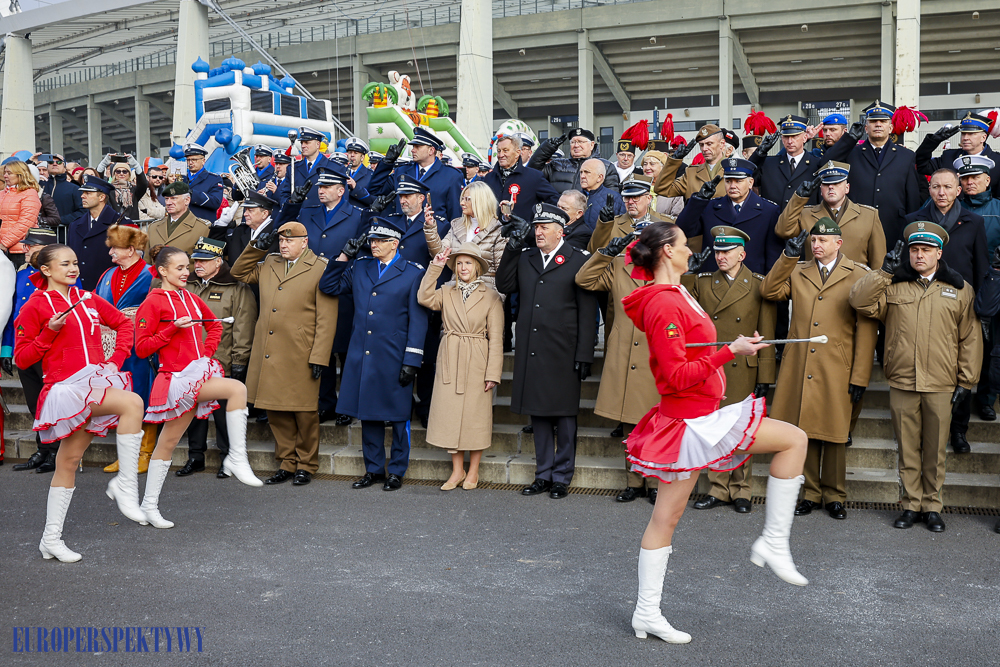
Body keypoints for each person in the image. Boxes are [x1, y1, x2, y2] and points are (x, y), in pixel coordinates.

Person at [622, 220, 810, 643]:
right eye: (684, 244)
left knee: (665, 517)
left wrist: (735, 346)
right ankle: (774, 543)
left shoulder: (676, 292)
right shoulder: (664, 302)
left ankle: (645, 613)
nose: (692, 248)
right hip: (691, 419)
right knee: (794, 439)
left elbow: (689, 349)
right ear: (667, 251)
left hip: (692, 417)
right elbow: (674, 376)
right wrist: (730, 351)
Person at [13, 243, 146, 561]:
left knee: (69, 461)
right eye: (64, 264)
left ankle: (50, 539)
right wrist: (49, 331)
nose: (73, 268)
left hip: (95, 381)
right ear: (45, 270)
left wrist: (116, 360)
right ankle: (124, 486)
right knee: (131, 403)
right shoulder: (36, 305)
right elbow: (22, 356)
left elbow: (124, 324)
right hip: (65, 389)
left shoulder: (88, 298)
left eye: (75, 262)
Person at [850, 222, 982, 532]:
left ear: (939, 252)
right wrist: (883, 273)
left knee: (935, 449)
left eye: (925, 250)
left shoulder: (960, 289)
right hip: (904, 379)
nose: (919, 255)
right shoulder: (894, 285)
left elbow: (971, 337)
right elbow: (859, 301)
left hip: (941, 380)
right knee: (907, 447)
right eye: (914, 249)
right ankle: (910, 504)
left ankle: (932, 506)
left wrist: (966, 380)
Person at [134, 246, 261, 527]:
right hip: (175, 379)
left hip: (197, 372)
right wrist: (171, 329)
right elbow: (142, 348)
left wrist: (206, 354)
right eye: (179, 268)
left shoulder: (190, 298)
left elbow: (215, 326)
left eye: (187, 267)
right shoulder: (153, 302)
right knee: (236, 390)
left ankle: (148, 506)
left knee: (166, 444)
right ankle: (237, 458)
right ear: (162, 271)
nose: (186, 271)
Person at [761, 219, 878, 520]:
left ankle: (835, 494)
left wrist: (861, 375)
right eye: (813, 241)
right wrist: (786, 257)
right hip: (801, 362)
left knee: (835, 432)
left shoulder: (858, 274)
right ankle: (811, 493)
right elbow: (769, 290)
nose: (816, 246)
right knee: (805, 428)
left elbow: (866, 330)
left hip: (838, 365)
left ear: (839, 243)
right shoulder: (798, 270)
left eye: (823, 241)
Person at [495, 203, 598, 499]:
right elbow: (504, 284)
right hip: (533, 348)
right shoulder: (526, 257)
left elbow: (586, 311)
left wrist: (584, 355)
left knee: (564, 416)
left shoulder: (578, 260)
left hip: (563, 349)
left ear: (559, 231)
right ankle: (543, 473)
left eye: (544, 228)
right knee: (538, 414)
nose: (538, 232)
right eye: (536, 227)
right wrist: (513, 247)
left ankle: (561, 476)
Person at [319, 218, 429, 491]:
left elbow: (418, 320)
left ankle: (397, 471)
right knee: (368, 414)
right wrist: (345, 255)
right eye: (371, 240)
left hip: (394, 355)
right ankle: (374, 469)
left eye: (379, 240)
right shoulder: (361, 267)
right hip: (363, 354)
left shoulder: (413, 273)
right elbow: (328, 287)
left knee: (399, 415)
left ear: (395, 243)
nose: (373, 244)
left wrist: (412, 360)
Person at [575, 195, 666, 504]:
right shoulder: (618, 264)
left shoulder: (670, 270)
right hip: (625, 351)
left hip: (656, 354)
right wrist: (605, 253)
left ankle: (653, 482)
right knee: (630, 425)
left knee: (655, 422)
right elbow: (584, 279)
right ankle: (633, 480)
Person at [232, 222, 338, 487]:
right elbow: (239, 272)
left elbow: (327, 318)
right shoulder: (269, 263)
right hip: (269, 351)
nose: (283, 245)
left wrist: (320, 356)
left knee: (304, 412)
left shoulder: (320, 267)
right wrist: (256, 246)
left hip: (300, 351)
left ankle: (306, 464)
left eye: (289, 241)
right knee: (275, 410)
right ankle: (287, 462)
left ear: (304, 242)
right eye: (280, 241)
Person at [682, 226, 777, 513]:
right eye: (718, 251)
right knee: (716, 427)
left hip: (744, 367)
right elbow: (681, 299)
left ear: (742, 254)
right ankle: (717, 487)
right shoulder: (703, 280)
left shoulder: (759, 283)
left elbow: (767, 332)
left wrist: (765, 375)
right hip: (715, 365)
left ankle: (742, 490)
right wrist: (687, 271)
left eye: (726, 251)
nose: (720, 256)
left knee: (743, 428)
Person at [905, 168, 989, 454]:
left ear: (958, 190)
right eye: (936, 187)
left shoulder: (974, 222)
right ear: (929, 190)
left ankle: (958, 430)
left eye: (948, 187)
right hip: (921, 303)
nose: (942, 192)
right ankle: (923, 431)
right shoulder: (914, 221)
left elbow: (980, 266)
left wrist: (981, 307)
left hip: (960, 305)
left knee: (960, 369)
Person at [418, 244, 503, 490]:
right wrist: (435, 267)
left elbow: (496, 338)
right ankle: (457, 471)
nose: (463, 267)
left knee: (476, 417)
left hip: (478, 357)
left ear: (476, 266)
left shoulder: (491, 296)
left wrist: (493, 373)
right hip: (450, 355)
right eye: (459, 263)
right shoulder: (446, 291)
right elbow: (423, 297)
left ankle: (473, 471)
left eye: (468, 263)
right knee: (451, 415)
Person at [176, 237, 258, 478]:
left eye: (204, 260)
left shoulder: (236, 288)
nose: (197, 264)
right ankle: (195, 457)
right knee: (192, 413)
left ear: (219, 262)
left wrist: (239, 361)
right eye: (196, 260)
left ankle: (228, 458)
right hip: (189, 362)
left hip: (220, 362)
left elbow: (243, 327)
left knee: (223, 416)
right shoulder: (186, 286)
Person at [3, 229, 74, 474]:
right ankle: (43, 449)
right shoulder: (22, 275)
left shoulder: (62, 275)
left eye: (29, 245)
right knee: (35, 405)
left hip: (50, 348)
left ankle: (56, 451)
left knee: (52, 404)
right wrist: (6, 348)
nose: (24, 249)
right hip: (26, 348)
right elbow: (14, 314)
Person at [93, 225, 157, 476]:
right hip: (113, 346)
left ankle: (145, 453)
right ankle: (126, 454)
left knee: (143, 395)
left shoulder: (151, 273)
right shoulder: (107, 274)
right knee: (122, 396)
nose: (110, 254)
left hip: (140, 345)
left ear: (131, 250)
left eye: (114, 249)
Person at [822, 101, 923, 248]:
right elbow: (825, 163)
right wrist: (849, 139)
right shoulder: (851, 153)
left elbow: (912, 198)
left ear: (891, 128)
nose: (878, 124)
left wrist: (910, 230)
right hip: (856, 226)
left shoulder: (906, 156)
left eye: (883, 121)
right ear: (866, 128)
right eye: (873, 121)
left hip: (894, 227)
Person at [674, 158, 783, 271]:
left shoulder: (769, 210)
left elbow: (773, 255)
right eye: (728, 181)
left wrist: (767, 284)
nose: (732, 186)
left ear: (750, 183)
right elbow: (683, 230)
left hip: (751, 280)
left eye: (738, 181)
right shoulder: (710, 207)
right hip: (714, 278)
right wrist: (699, 200)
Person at [775, 160, 886, 268]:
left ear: (847, 188)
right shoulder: (806, 214)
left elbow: (878, 262)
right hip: (817, 283)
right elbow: (783, 231)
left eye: (836, 183)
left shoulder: (869, 216)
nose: (831, 187)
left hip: (855, 284)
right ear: (820, 189)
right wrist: (799, 199)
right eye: (826, 184)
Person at [957, 155, 1000, 420]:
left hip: (992, 286)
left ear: (988, 180)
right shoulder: (953, 207)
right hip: (961, 283)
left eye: (975, 177)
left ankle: (986, 398)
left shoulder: (998, 208)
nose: (970, 182)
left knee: (990, 346)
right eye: (965, 178)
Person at [368, 127, 463, 222]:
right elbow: (374, 190)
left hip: (433, 233)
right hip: (404, 232)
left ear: (431, 150)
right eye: (413, 146)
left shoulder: (451, 176)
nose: (413, 150)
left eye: (418, 147)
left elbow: (455, 215)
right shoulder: (402, 171)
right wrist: (387, 163)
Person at [423, 180, 506, 289]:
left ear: (480, 201)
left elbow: (502, 273)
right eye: (462, 198)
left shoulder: (498, 229)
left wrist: (495, 301)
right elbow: (440, 254)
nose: (462, 203)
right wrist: (430, 228)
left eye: (467, 199)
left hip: (484, 294)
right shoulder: (457, 225)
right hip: (456, 291)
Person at [68, 176, 133, 290]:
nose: (82, 196)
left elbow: (129, 261)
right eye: (83, 192)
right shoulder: (75, 225)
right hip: (80, 289)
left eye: (88, 193)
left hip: (109, 288)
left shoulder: (121, 224)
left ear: (102, 197)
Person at [747, 115, 823, 210]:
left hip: (804, 222)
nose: (790, 141)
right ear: (782, 139)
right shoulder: (768, 163)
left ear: (804, 138)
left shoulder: (817, 164)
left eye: (795, 136)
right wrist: (759, 153)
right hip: (774, 222)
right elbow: (746, 176)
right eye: (786, 137)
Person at [916, 112, 1000, 199]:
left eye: (971, 134)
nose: (965, 138)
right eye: (963, 133)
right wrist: (933, 142)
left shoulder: (997, 161)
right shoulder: (949, 156)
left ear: (984, 137)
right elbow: (921, 165)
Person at [482, 133, 559, 221]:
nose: (500, 155)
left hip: (522, 233)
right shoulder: (489, 177)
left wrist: (536, 224)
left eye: (505, 150)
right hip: (493, 233)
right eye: (499, 151)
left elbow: (555, 201)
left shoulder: (534, 177)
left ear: (517, 153)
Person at [146, 180, 215, 269]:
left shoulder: (203, 228)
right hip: (157, 281)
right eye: (167, 198)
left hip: (186, 281)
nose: (168, 203)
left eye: (174, 198)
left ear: (187, 200)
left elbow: (206, 266)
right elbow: (147, 262)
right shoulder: (153, 227)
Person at [653, 124, 731, 201]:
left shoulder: (734, 171)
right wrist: (674, 160)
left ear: (722, 144)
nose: (704, 149)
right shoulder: (691, 173)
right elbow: (661, 189)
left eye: (709, 144)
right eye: (701, 145)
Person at [528, 128, 620, 192]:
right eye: (573, 142)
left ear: (592, 145)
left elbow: (611, 196)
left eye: (580, 142)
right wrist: (547, 148)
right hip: (559, 215)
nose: (576, 145)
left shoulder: (606, 166)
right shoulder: (557, 165)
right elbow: (532, 172)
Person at [225, 190, 280, 268]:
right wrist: (222, 225)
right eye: (245, 210)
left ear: (264, 214)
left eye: (250, 210)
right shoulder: (240, 231)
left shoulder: (276, 234)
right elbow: (222, 250)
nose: (245, 214)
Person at [0, 160, 42, 257]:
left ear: (21, 175)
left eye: (9, 173)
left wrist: (4, 243)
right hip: (4, 249)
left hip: (21, 250)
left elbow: (25, 223)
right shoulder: (2, 193)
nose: (5, 176)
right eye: (5, 173)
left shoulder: (29, 193)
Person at [95, 153, 148, 221]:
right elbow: (97, 182)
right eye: (118, 171)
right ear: (114, 174)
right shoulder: (109, 190)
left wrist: (136, 165)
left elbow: (143, 184)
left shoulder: (134, 190)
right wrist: (103, 163)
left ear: (129, 174)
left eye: (125, 171)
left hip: (131, 226)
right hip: (113, 226)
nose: (121, 173)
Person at [180, 144, 224, 223]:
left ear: (203, 161)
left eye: (194, 160)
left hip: (202, 225)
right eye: (188, 160)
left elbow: (216, 202)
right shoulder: (181, 179)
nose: (190, 163)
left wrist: (192, 194)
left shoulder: (214, 179)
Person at [578, 159, 626, 230]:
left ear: (600, 177)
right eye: (581, 172)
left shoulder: (614, 198)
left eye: (587, 172)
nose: (582, 176)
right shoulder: (575, 196)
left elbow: (620, 228)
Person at [40, 153, 83, 226]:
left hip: (65, 233)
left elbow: (82, 211)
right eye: (51, 162)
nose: (54, 164)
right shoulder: (40, 186)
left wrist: (59, 220)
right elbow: (23, 176)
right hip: (41, 232)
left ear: (65, 168)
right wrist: (32, 161)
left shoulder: (75, 188)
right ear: (47, 167)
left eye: (59, 162)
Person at [639, 151, 684, 219]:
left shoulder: (673, 190)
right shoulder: (637, 188)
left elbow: (677, 219)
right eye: (645, 164)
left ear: (663, 167)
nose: (647, 167)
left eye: (652, 164)